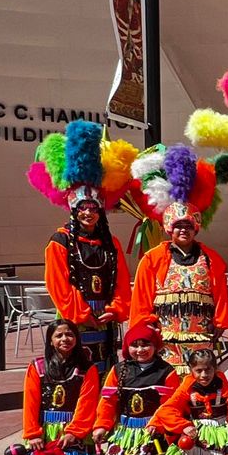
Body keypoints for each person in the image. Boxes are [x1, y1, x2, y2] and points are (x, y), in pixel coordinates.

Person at [31, 120, 134, 373]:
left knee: (105, 369)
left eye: (93, 208)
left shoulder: (111, 243)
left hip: (105, 319)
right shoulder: (60, 241)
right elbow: (57, 283)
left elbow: (121, 280)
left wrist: (116, 309)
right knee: (75, 370)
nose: (88, 213)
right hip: (73, 319)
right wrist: (81, 313)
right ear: (74, 211)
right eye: (83, 209)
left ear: (101, 211)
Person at [131, 201, 228, 375]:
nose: (184, 230)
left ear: (196, 228)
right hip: (165, 337)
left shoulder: (211, 258)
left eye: (188, 226)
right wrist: (145, 328)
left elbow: (221, 293)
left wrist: (220, 322)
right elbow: (141, 298)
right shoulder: (152, 258)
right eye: (178, 226)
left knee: (200, 378)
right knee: (166, 379)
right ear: (170, 229)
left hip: (200, 335)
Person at [91, 317, 179, 455]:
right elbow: (107, 402)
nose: (140, 350)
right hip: (126, 430)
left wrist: (157, 424)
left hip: (154, 429)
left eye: (146, 344)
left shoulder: (166, 371)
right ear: (127, 347)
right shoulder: (118, 370)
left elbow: (171, 404)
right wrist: (101, 426)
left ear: (155, 345)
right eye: (134, 345)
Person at [21, 320, 100, 455]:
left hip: (75, 433)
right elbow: (30, 402)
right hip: (44, 432)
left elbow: (87, 403)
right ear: (50, 341)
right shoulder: (37, 367)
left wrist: (74, 432)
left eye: (69, 335)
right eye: (59, 336)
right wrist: (33, 434)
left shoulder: (87, 368)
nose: (65, 339)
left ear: (76, 339)